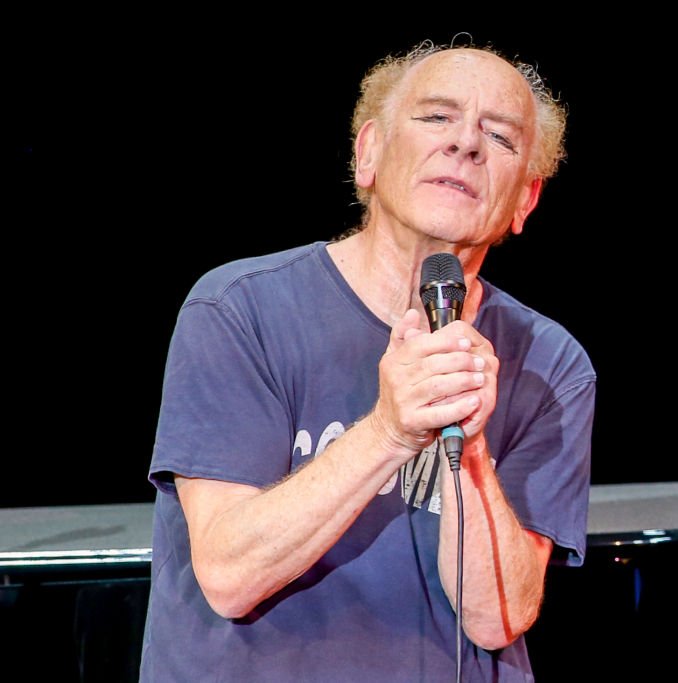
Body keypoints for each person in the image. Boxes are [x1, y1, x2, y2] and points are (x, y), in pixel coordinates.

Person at [140, 40, 595, 682]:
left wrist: (468, 449)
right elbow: (228, 574)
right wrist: (389, 431)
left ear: (525, 201)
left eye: (499, 136)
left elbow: (496, 618)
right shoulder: (239, 309)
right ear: (368, 154)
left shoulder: (552, 365)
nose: (465, 143)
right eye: (437, 117)